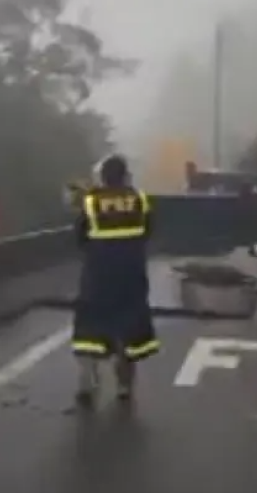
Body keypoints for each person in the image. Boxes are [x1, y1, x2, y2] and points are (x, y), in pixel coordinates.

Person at [72, 153, 158, 406]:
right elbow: (148, 232)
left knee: (89, 328)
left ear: (103, 176)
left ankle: (87, 379)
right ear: (125, 175)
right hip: (131, 277)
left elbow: (80, 239)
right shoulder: (140, 200)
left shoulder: (91, 202)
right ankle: (124, 387)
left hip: (98, 277)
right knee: (128, 331)